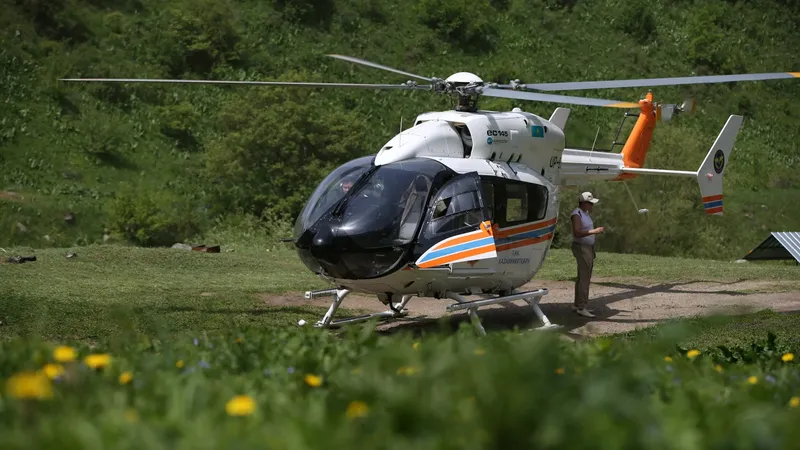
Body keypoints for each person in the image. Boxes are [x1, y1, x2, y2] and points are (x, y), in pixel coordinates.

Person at [570, 191, 605, 318]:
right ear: (584, 203)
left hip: (587, 247)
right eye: (590, 203)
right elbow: (577, 232)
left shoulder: (585, 213)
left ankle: (577, 304)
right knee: (585, 278)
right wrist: (594, 231)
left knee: (582, 277)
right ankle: (582, 307)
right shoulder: (577, 214)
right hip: (581, 247)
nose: (592, 206)